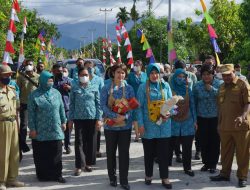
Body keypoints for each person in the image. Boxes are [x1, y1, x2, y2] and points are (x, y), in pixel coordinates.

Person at [210, 64, 250, 188]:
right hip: (225, 126)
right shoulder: (221, 87)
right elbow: (220, 108)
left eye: (228, 74)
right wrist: (219, 123)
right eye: (224, 75)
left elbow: (248, 103)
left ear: (234, 72)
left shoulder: (243, 84)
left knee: (242, 153)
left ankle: (242, 177)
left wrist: (243, 116)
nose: (226, 77)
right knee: (225, 152)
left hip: (240, 126)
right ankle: (224, 173)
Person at [137, 63, 173, 189]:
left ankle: (165, 177)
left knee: (164, 153)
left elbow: (171, 104)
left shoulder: (166, 85)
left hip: (164, 125)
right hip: (148, 126)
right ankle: (148, 175)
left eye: (156, 72)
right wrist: (140, 125)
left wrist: (170, 113)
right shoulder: (143, 87)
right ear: (148, 74)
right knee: (149, 153)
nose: (154, 75)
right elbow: (139, 108)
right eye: (151, 73)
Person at [28, 71, 67, 183]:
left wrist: (64, 121)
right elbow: (31, 113)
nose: (51, 81)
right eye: (48, 79)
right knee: (42, 153)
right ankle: (43, 175)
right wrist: (33, 128)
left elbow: (61, 108)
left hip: (55, 128)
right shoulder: (34, 95)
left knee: (57, 152)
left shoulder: (56, 93)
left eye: (52, 79)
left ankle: (57, 174)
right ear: (43, 81)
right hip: (41, 129)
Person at [100, 64, 135, 190]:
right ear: (113, 73)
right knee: (110, 153)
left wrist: (124, 117)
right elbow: (102, 106)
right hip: (110, 127)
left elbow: (132, 106)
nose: (121, 75)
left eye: (123, 73)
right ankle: (112, 178)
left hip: (125, 127)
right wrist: (114, 116)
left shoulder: (129, 88)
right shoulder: (105, 88)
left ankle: (124, 180)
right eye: (118, 72)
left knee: (124, 154)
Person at [68, 67, 102, 176]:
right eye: (82, 75)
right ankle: (79, 166)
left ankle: (88, 163)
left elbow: (98, 104)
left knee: (91, 141)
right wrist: (70, 119)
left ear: (89, 75)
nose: (84, 77)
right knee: (79, 142)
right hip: (79, 118)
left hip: (92, 117)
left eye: (86, 74)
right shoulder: (74, 87)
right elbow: (71, 104)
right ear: (78, 76)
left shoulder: (94, 87)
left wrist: (99, 119)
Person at [193, 64, 222, 173]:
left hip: (215, 118)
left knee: (214, 141)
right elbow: (194, 103)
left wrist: (212, 89)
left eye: (208, 74)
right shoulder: (197, 86)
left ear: (213, 74)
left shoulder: (219, 84)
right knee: (203, 141)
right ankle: (206, 163)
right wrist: (194, 119)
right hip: (202, 118)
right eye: (204, 74)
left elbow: (223, 98)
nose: (206, 77)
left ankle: (213, 164)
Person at [0, 65, 25, 190]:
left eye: (10, 75)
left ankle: (12, 179)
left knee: (14, 152)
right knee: (3, 153)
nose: (9, 77)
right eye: (6, 75)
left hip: (13, 123)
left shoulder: (12, 90)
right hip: (2, 124)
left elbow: (16, 110)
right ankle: (1, 180)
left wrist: (18, 126)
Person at [170, 68, 197, 177]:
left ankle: (188, 168)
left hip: (188, 121)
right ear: (174, 78)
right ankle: (165, 167)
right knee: (170, 145)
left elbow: (193, 106)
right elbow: (168, 106)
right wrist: (175, 111)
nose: (181, 79)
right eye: (179, 77)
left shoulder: (188, 90)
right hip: (173, 121)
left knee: (187, 146)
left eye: (183, 77)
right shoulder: (170, 90)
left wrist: (195, 121)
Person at [16, 60, 39, 159]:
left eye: (31, 64)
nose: (29, 66)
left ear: (33, 66)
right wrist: (18, 104)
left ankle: (38, 143)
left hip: (36, 104)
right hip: (24, 103)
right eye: (27, 64)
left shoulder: (38, 76)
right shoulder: (21, 77)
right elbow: (18, 91)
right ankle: (22, 146)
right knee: (24, 126)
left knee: (37, 123)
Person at [84, 60, 104, 160]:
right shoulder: (81, 79)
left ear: (94, 68)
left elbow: (103, 93)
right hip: (85, 110)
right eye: (87, 67)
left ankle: (96, 149)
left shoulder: (99, 80)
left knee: (97, 130)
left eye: (90, 67)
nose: (89, 69)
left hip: (97, 107)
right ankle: (87, 151)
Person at [52, 64, 72, 154]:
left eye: (61, 71)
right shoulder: (50, 81)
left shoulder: (67, 80)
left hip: (65, 106)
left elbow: (73, 90)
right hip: (54, 108)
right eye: (57, 71)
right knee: (56, 127)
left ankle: (67, 145)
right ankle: (58, 144)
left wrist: (69, 88)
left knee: (67, 128)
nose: (60, 72)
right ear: (53, 71)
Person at [127, 60, 147, 142]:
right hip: (133, 98)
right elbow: (128, 86)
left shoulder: (145, 75)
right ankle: (137, 135)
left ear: (141, 66)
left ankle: (142, 133)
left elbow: (147, 85)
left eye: (137, 65)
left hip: (143, 98)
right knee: (135, 116)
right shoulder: (131, 75)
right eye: (135, 65)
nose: (136, 66)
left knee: (142, 114)